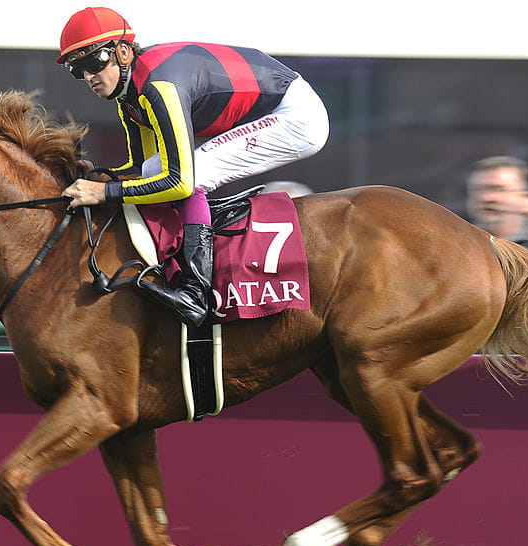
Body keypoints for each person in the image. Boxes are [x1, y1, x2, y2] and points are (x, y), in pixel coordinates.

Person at [58, 7, 330, 327]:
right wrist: (99, 177)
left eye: (93, 63)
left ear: (122, 51)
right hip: (268, 108)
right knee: (152, 170)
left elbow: (180, 182)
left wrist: (104, 192)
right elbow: (141, 168)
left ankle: (194, 291)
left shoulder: (158, 87)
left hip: (296, 115)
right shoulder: (128, 99)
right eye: (78, 70)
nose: (89, 77)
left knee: (194, 174)